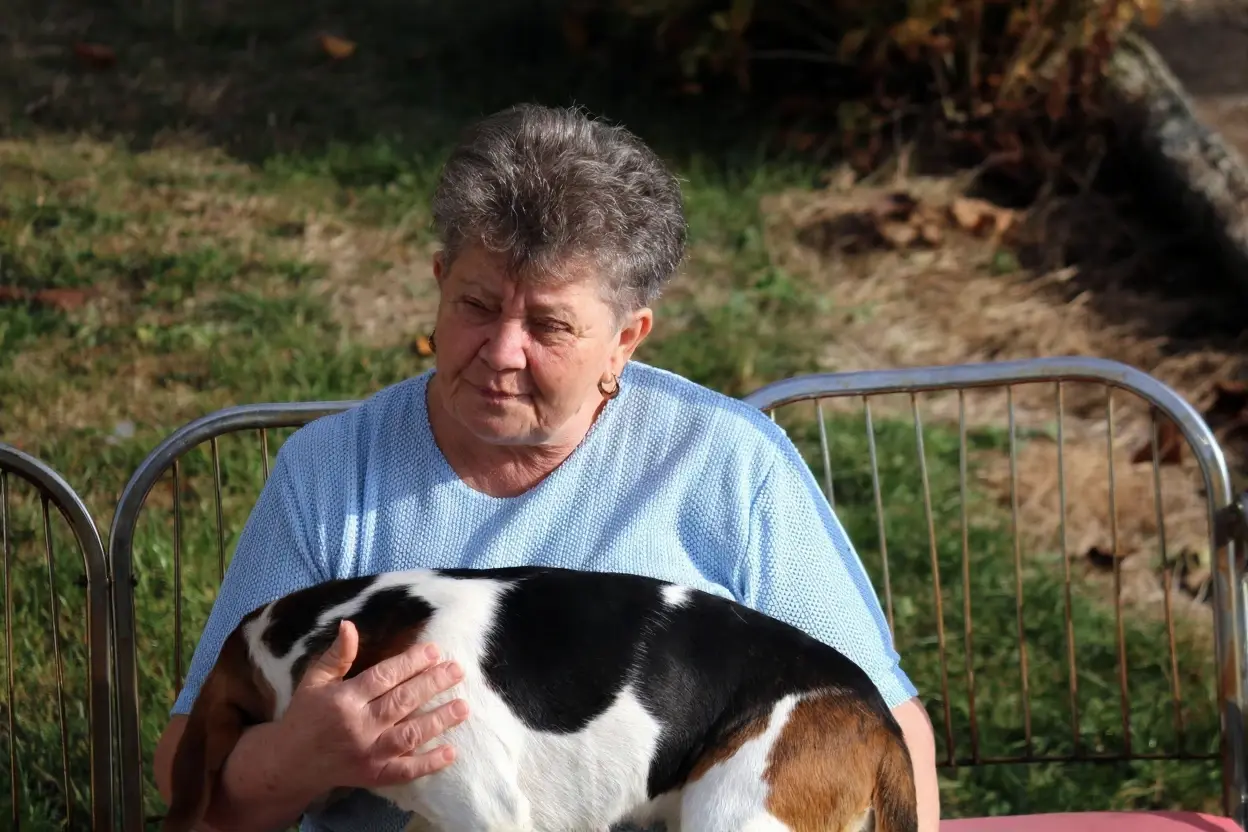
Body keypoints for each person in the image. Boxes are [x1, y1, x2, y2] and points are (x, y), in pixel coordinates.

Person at [152, 102, 940, 832]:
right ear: (437, 283)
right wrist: (299, 761)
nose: (500, 352)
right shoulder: (329, 474)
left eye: (549, 325)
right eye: (476, 305)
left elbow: (886, 736)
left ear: (627, 339)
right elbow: (191, 764)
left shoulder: (729, 466)